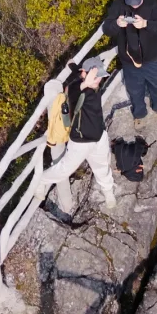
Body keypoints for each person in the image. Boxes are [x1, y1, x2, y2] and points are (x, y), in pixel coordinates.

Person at [44, 57, 118, 213]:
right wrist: (85, 83)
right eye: (96, 76)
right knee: (65, 169)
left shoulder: (93, 83)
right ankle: (41, 180)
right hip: (80, 141)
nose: (99, 79)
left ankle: (108, 191)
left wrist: (72, 65)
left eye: (100, 76)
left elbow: (78, 72)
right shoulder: (76, 88)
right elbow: (73, 92)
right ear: (84, 74)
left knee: (103, 167)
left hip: (99, 137)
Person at [102, 0, 157, 122]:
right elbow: (107, 29)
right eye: (130, 1)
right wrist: (116, 23)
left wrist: (146, 24)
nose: (132, 5)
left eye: (136, 1)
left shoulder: (153, 3)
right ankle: (139, 114)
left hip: (153, 57)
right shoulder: (118, 4)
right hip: (129, 60)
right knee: (134, 90)